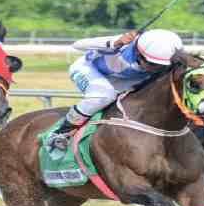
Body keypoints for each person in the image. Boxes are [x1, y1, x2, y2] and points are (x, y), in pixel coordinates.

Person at [48, 29, 183, 150]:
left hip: (123, 81)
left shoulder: (163, 58)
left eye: (161, 66)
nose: (155, 69)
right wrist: (115, 42)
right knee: (104, 96)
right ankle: (61, 133)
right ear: (138, 53)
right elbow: (77, 44)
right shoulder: (122, 45)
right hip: (89, 70)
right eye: (152, 64)